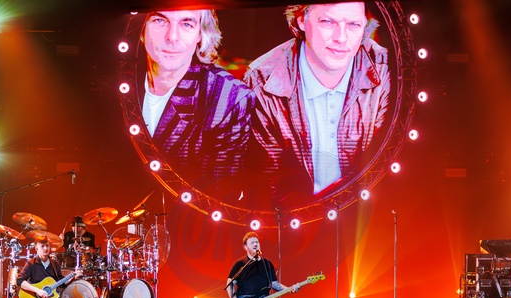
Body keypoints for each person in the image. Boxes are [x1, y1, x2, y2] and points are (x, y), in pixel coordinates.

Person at [244, 2, 391, 204]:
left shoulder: (384, 68)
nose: (341, 38)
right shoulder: (262, 80)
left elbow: (388, 172)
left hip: (364, 212)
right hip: (294, 217)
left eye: (353, 24)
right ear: (301, 20)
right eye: (328, 22)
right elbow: (265, 185)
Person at [140, 9, 255, 186]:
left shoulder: (228, 98)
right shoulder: (114, 80)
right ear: (142, 30)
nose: (172, 37)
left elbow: (219, 190)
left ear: (200, 35)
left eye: (186, 24)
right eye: (160, 21)